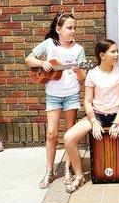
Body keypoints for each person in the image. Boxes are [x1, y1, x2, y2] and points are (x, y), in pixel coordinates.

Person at [64, 39, 119, 193]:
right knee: (68, 138)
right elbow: (87, 101)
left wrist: (117, 123)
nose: (117, 54)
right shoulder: (92, 74)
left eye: (117, 51)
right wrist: (93, 121)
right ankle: (79, 176)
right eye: (113, 51)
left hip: (117, 114)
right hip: (97, 115)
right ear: (102, 55)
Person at [25, 11, 87, 189]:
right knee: (52, 134)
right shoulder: (49, 45)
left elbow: (83, 78)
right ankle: (49, 171)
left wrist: (78, 70)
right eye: (69, 28)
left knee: (69, 135)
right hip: (53, 95)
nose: (73, 31)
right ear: (58, 29)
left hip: (71, 95)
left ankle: (68, 169)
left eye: (74, 28)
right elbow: (28, 59)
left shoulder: (79, 50)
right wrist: (41, 63)